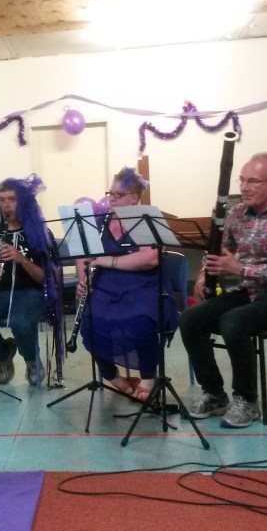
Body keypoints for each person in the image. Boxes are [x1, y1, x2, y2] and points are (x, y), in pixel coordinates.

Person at [180, 152, 267, 428]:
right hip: (249, 293)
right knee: (191, 319)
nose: (244, 187)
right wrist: (205, 273)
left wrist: (241, 269)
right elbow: (220, 250)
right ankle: (214, 394)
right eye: (241, 180)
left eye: (252, 181)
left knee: (234, 321)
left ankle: (247, 400)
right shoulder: (237, 213)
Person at [75, 168, 179, 402]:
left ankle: (148, 377)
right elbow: (83, 254)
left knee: (141, 322)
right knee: (88, 322)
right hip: (105, 287)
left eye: (118, 195)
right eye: (110, 193)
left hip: (144, 286)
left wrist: (107, 261)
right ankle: (113, 377)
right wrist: (83, 278)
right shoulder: (100, 222)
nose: (112, 199)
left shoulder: (144, 221)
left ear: (134, 198)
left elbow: (150, 258)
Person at [0, 175, 59, 385]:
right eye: (2, 200)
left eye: (12, 199)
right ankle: (4, 354)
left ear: (23, 201)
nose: (6, 205)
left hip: (31, 293)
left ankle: (31, 359)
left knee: (21, 321)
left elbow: (47, 279)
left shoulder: (38, 233)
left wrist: (22, 259)